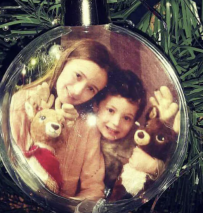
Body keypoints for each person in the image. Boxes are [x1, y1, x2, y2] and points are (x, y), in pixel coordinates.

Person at [10, 39, 114, 200]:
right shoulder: (22, 102)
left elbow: (93, 188)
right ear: (65, 61)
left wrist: (64, 211)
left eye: (91, 88)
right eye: (78, 75)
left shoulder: (88, 127)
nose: (78, 91)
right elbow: (8, 168)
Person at [92, 69, 179, 197]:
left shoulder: (139, 139)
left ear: (134, 121)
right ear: (96, 106)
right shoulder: (84, 130)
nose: (116, 123)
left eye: (127, 118)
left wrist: (154, 167)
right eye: (110, 110)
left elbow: (170, 164)